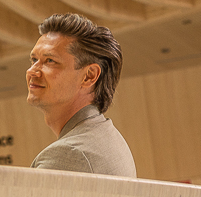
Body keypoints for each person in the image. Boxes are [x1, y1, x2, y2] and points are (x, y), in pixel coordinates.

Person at [26, 13, 137, 177]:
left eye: (50, 61)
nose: (32, 71)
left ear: (89, 76)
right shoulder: (107, 136)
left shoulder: (70, 154)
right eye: (34, 60)